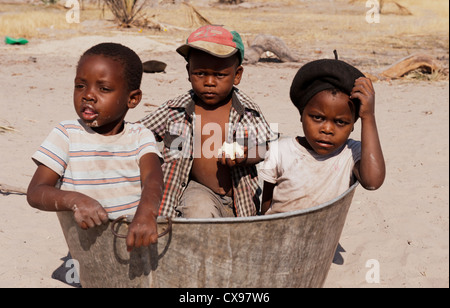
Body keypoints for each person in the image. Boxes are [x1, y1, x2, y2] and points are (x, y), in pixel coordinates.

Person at [27, 43, 164, 252]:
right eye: (80, 86)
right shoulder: (66, 134)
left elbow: (153, 179)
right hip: (88, 253)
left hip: (132, 243)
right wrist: (74, 200)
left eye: (104, 89)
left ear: (133, 98)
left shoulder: (140, 136)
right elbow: (36, 192)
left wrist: (146, 213)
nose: (88, 95)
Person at [139, 25, 278, 218]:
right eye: (200, 73)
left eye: (220, 75)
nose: (209, 82)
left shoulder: (247, 111)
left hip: (241, 197)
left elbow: (266, 147)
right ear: (189, 72)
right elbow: (139, 132)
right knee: (198, 212)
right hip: (198, 190)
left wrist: (246, 156)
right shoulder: (175, 110)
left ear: (237, 75)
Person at [260, 56, 386, 215]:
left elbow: (372, 182)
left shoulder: (350, 154)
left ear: (353, 124)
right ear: (302, 114)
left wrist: (368, 116)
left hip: (325, 238)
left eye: (340, 122)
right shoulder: (280, 151)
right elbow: (266, 208)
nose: (327, 129)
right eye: (317, 118)